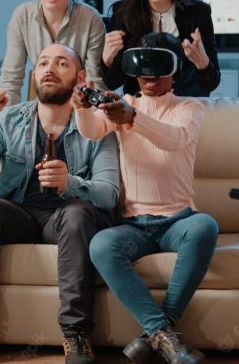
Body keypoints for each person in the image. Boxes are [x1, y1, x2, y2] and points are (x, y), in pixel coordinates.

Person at [0, 44, 120, 364]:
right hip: (19, 214)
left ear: (79, 78)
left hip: (66, 219)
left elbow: (109, 194)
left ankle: (76, 336)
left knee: (78, 213)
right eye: (43, 62)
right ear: (34, 75)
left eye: (61, 63)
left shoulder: (97, 127)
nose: (49, 68)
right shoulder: (10, 118)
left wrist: (71, 183)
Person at [73, 33, 218, 364]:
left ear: (175, 72)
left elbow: (175, 140)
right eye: (143, 69)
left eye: (158, 68)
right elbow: (91, 132)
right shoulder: (126, 102)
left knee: (205, 226)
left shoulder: (189, 108)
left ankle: (154, 334)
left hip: (178, 222)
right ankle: (163, 336)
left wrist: (133, 119)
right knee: (100, 245)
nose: (149, 77)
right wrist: (82, 109)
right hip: (133, 225)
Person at [100, 0, 220, 97]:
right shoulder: (122, 13)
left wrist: (203, 63)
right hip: (141, 110)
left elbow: (211, 84)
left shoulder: (198, 12)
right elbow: (113, 83)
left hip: (185, 107)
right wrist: (106, 60)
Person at [0, 0, 106, 105]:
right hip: (42, 101)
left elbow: (94, 80)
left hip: (79, 104)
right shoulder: (22, 15)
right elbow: (10, 79)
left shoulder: (90, 18)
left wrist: (91, 122)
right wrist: (4, 122)